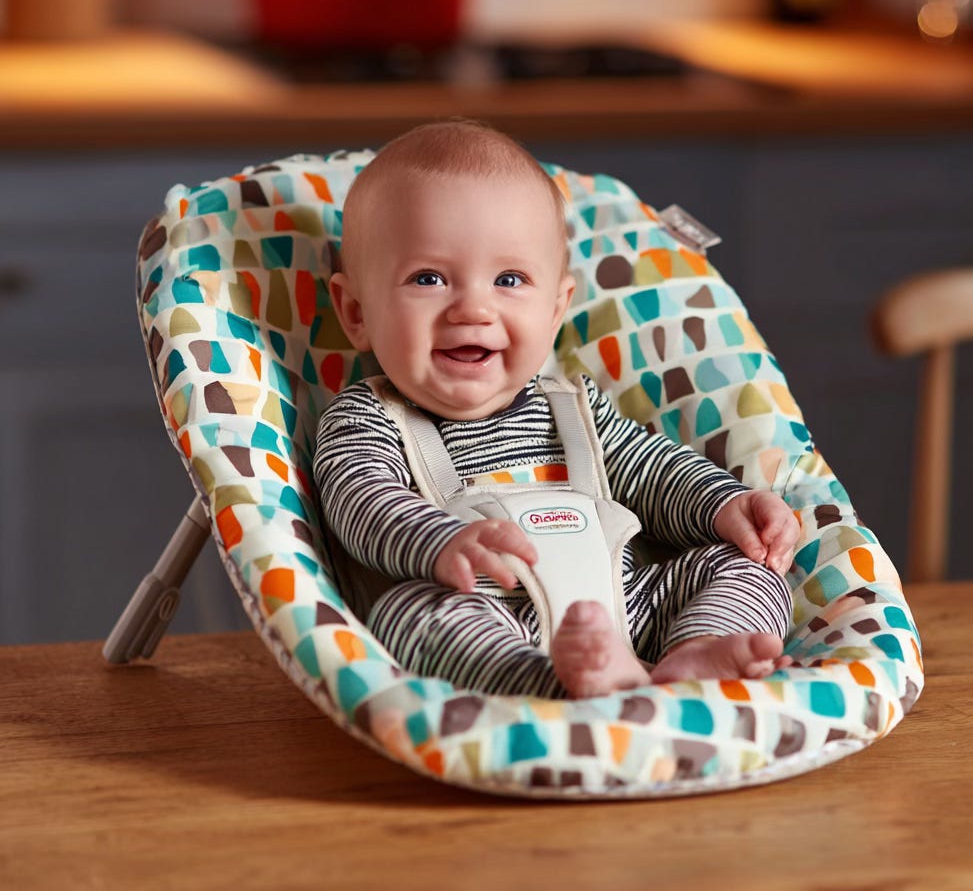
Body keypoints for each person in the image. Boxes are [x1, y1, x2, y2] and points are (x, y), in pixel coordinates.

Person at [314, 119, 798, 699]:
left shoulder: (573, 406)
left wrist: (725, 505)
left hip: (625, 607)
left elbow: (655, 471)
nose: (473, 309)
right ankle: (558, 684)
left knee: (746, 567)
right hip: (486, 609)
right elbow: (363, 503)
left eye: (509, 278)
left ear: (554, 310)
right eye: (429, 278)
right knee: (408, 616)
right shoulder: (367, 418)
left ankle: (693, 655)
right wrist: (441, 543)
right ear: (357, 314)